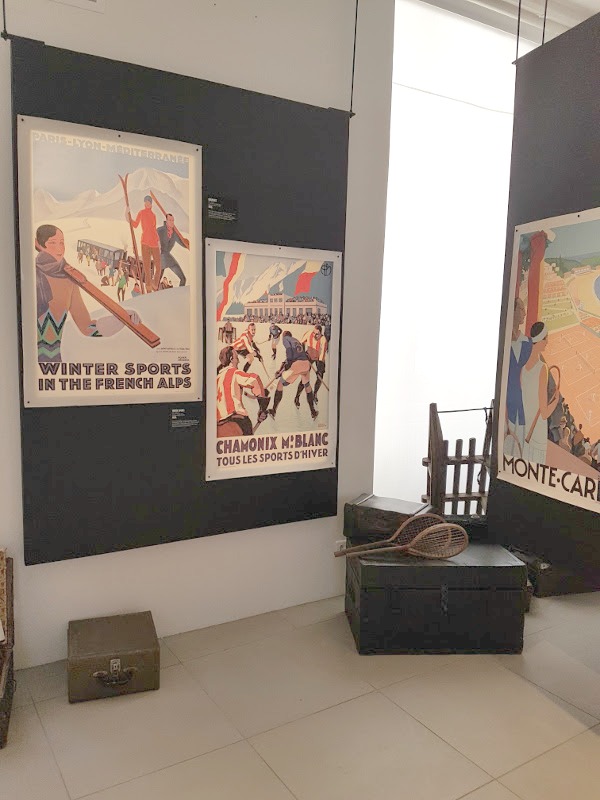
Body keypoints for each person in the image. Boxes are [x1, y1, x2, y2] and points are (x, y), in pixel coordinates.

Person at [35, 224, 140, 363]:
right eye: (52, 243)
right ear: (39, 244)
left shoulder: (70, 279)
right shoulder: (27, 274)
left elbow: (87, 327)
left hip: (51, 364)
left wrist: (122, 318)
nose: (60, 248)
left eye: (62, 242)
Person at [521, 321, 559, 464]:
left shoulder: (523, 370)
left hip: (526, 433)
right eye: (546, 338)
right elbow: (544, 413)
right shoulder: (542, 368)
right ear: (541, 339)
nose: (547, 341)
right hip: (537, 437)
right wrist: (555, 400)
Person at [216, 347, 269, 435]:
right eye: (237, 358)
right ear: (231, 359)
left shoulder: (216, 379)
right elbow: (255, 379)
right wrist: (262, 408)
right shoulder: (234, 372)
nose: (239, 361)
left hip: (218, 425)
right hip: (237, 419)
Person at [269, 331, 318, 420]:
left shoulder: (286, 339)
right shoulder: (296, 341)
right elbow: (292, 357)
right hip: (306, 364)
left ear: (284, 336)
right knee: (307, 386)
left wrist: (287, 365)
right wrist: (281, 370)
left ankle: (273, 410)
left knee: (280, 383)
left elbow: (289, 353)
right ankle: (313, 411)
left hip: (297, 364)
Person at [505, 297, 532, 456]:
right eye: (521, 309)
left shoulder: (528, 344)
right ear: (513, 311)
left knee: (519, 453)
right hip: (506, 406)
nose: (524, 313)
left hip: (522, 407)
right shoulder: (502, 342)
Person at [128, 194, 161, 292]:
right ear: (144, 203)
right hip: (145, 243)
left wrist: (158, 241)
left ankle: (155, 284)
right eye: (145, 202)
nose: (147, 204)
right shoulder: (141, 213)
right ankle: (148, 289)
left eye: (149, 202)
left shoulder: (154, 215)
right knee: (147, 269)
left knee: (158, 267)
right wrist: (128, 217)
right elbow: (135, 225)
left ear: (151, 204)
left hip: (154, 243)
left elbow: (154, 229)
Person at [296, 324, 327, 407]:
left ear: (321, 333)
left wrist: (319, 369)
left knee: (320, 377)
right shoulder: (309, 333)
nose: (314, 335)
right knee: (304, 378)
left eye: (317, 334)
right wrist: (303, 354)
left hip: (318, 358)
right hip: (309, 355)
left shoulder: (323, 340)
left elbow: (322, 355)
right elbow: (301, 343)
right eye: (314, 333)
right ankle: (297, 397)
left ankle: (315, 393)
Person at [157, 212, 187, 286]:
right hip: (160, 256)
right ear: (166, 221)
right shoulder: (160, 230)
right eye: (170, 220)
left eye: (173, 220)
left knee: (183, 279)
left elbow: (182, 242)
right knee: (156, 282)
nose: (172, 222)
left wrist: (189, 245)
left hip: (168, 258)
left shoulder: (174, 233)